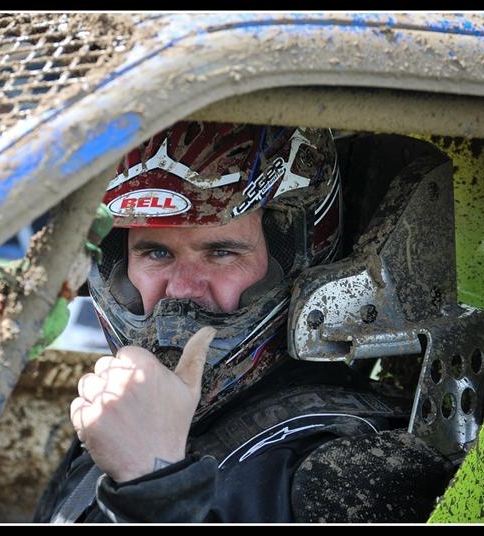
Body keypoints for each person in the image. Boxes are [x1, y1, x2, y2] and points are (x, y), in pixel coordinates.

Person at [33, 121, 454, 523]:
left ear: (293, 261)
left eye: (221, 253)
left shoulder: (353, 467)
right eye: (156, 253)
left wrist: (151, 484)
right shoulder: (123, 413)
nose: (181, 288)